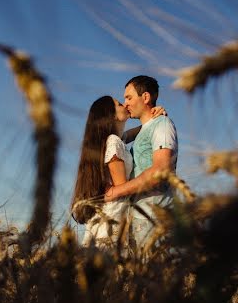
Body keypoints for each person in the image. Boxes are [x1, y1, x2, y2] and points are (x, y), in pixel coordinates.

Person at [70, 95, 167, 248]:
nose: (126, 105)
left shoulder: (114, 140)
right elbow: (122, 187)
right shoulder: (114, 142)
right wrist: (147, 178)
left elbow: (131, 134)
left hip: (107, 215)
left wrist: (152, 118)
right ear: (112, 115)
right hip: (114, 216)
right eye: (120, 104)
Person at [104, 75, 178, 253]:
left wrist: (115, 192)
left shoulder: (162, 124)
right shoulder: (144, 130)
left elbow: (160, 171)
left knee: (157, 278)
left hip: (155, 218)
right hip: (138, 220)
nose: (126, 103)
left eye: (129, 98)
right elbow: (116, 139)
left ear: (145, 97)